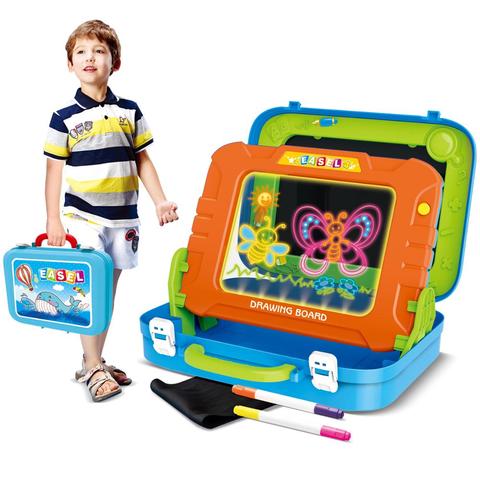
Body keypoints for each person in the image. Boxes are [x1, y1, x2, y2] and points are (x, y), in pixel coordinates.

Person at [44, 19, 178, 402]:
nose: (90, 58)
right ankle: (93, 367)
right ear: (70, 63)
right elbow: (53, 170)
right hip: (83, 217)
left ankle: (94, 360)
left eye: (99, 51)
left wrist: (160, 200)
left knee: (108, 293)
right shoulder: (63, 117)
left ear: (114, 62)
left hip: (124, 218)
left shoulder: (129, 111)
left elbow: (143, 160)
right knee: (91, 289)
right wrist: (53, 219)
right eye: (81, 52)